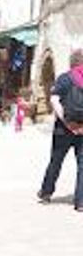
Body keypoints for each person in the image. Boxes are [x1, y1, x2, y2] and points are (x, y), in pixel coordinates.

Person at [38, 49, 83, 211]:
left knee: (56, 161)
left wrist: (67, 122)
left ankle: (46, 192)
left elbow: (54, 100)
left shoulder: (65, 78)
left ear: (72, 62)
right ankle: (80, 201)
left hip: (63, 129)